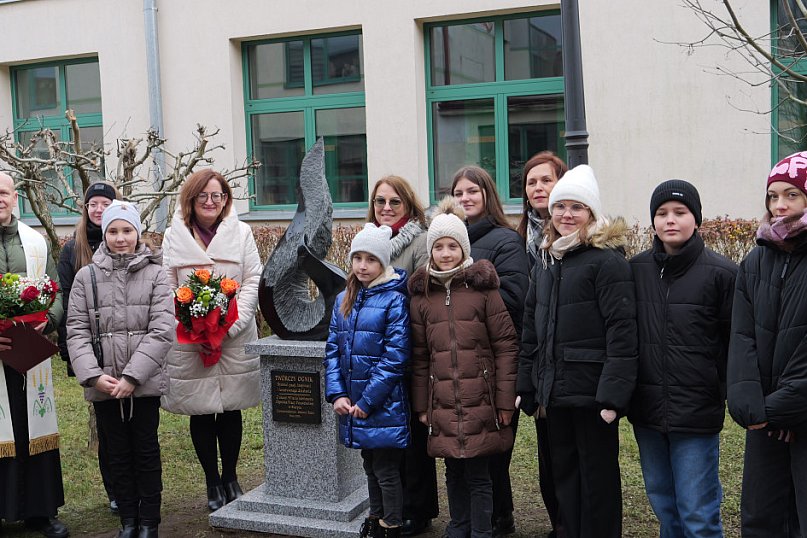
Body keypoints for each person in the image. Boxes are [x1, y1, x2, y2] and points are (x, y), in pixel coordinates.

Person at [517, 165, 637, 538]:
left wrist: (613, 396)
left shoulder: (607, 261)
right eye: (559, 207)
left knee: (597, 480)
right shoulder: (547, 261)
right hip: (555, 393)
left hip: (592, 394)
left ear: (591, 213)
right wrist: (529, 384)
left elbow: (622, 332)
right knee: (563, 474)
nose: (566, 215)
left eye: (576, 207)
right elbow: (531, 331)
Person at [629, 180, 737, 538]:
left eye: (680, 212)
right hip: (647, 412)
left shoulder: (722, 273)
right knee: (664, 504)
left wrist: (715, 388)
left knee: (698, 512)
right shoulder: (636, 270)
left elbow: (733, 343)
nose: (670, 220)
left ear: (697, 218)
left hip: (696, 414)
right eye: (661, 214)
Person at [409, 198, 518, 538]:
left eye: (452, 245)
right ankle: (459, 525)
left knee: (479, 474)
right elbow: (420, 355)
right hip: (442, 402)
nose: (445, 253)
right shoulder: (422, 297)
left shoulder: (484, 291)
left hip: (480, 400)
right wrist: (422, 405)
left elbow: (505, 345)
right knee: (453, 472)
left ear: (463, 248)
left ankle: (482, 530)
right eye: (438, 246)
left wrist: (503, 402)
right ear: (430, 251)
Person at [67, 200, 174, 538]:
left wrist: (132, 376)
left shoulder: (157, 275)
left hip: (142, 385)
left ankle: (149, 522)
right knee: (117, 454)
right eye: (113, 231)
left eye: (127, 230)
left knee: (145, 450)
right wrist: (95, 376)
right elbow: (77, 330)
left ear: (138, 233)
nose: (120, 237)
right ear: (104, 233)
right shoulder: (87, 277)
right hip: (104, 384)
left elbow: (161, 329)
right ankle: (128, 519)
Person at [161, 169, 262, 511]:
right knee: (201, 411)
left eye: (217, 196)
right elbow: (166, 286)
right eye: (203, 196)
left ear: (225, 199)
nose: (210, 202)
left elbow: (252, 280)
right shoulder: (173, 235)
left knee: (231, 410)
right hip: (191, 339)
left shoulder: (241, 232)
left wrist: (229, 325)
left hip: (234, 336)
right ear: (191, 199)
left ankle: (231, 475)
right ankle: (211, 481)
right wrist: (194, 326)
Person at [728, 151, 807, 536]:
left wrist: (779, 408)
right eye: (773, 195)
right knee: (761, 518)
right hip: (765, 418)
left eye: (792, 194)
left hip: (792, 411)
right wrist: (753, 407)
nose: (779, 205)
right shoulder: (755, 261)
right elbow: (741, 337)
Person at [451, 166, 528, 536]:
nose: (466, 198)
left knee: (494, 448)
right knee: (464, 451)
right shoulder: (449, 239)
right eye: (459, 192)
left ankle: (500, 519)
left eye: (472, 191)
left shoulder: (505, 240)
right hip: (456, 361)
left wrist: (466, 288)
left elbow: (515, 300)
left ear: (487, 195)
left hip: (492, 364)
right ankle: (473, 520)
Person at [324, 223, 411, 538]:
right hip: (352, 403)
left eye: (371, 259)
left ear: (383, 263)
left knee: (386, 470)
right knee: (369, 467)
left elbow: (395, 357)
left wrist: (367, 400)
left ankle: (392, 524)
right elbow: (332, 351)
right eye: (357, 257)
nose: (363, 265)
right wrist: (337, 394)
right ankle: (375, 517)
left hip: (382, 404)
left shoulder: (394, 299)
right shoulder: (344, 299)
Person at [367, 176, 435, 536]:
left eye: (395, 201)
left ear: (408, 205)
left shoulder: (420, 241)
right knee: (385, 441)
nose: (387, 208)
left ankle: (418, 510)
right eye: (380, 201)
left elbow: (425, 298)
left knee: (411, 435)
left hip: (407, 354)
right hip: (373, 359)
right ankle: (389, 506)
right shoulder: (369, 243)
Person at [0, 172, 67, 538]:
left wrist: (49, 320)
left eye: (4, 192)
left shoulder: (35, 242)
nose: (0, 198)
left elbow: (55, 290)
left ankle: (41, 512)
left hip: (30, 353)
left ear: (15, 197)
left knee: (31, 428)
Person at [57, 181, 118, 513]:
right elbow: (67, 303)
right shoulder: (72, 249)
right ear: (85, 208)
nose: (98, 209)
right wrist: (72, 354)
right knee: (106, 425)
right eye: (92, 204)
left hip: (125, 341)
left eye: (104, 203)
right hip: (91, 349)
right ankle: (114, 490)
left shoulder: (124, 239)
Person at [515, 151, 567, 538]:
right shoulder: (518, 238)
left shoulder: (569, 236)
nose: (537, 188)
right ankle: (557, 524)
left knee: (570, 454)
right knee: (547, 454)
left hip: (568, 363)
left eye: (545, 180)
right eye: (531, 182)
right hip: (532, 356)